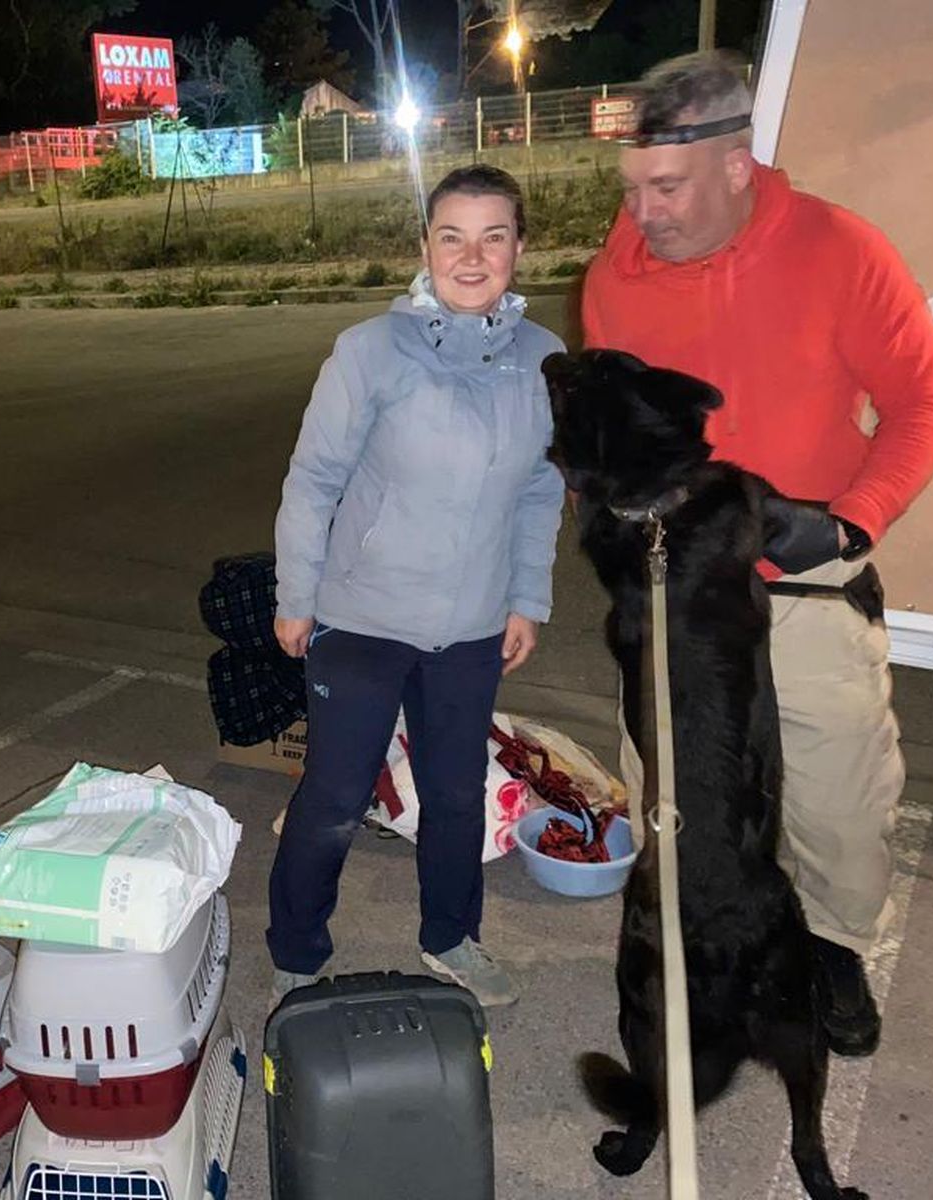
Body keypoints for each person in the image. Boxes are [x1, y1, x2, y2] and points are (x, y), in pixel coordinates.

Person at [580, 52, 933, 1054]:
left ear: (735, 164)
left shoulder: (840, 249)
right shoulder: (613, 281)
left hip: (807, 583)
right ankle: (693, 936)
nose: (643, 214)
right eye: (632, 188)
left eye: (667, 188)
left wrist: (849, 522)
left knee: (840, 798)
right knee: (672, 794)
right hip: (677, 592)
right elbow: (619, 438)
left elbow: (926, 399)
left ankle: (832, 948)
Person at [268, 164, 566, 1009]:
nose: (472, 257)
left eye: (493, 237)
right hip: (362, 617)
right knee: (335, 795)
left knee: (455, 796)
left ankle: (451, 937)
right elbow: (313, 481)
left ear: (519, 248)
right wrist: (297, 596)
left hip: (471, 626)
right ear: (425, 247)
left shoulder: (544, 361)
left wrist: (528, 597)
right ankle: (296, 948)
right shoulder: (370, 351)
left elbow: (541, 489)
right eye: (452, 237)